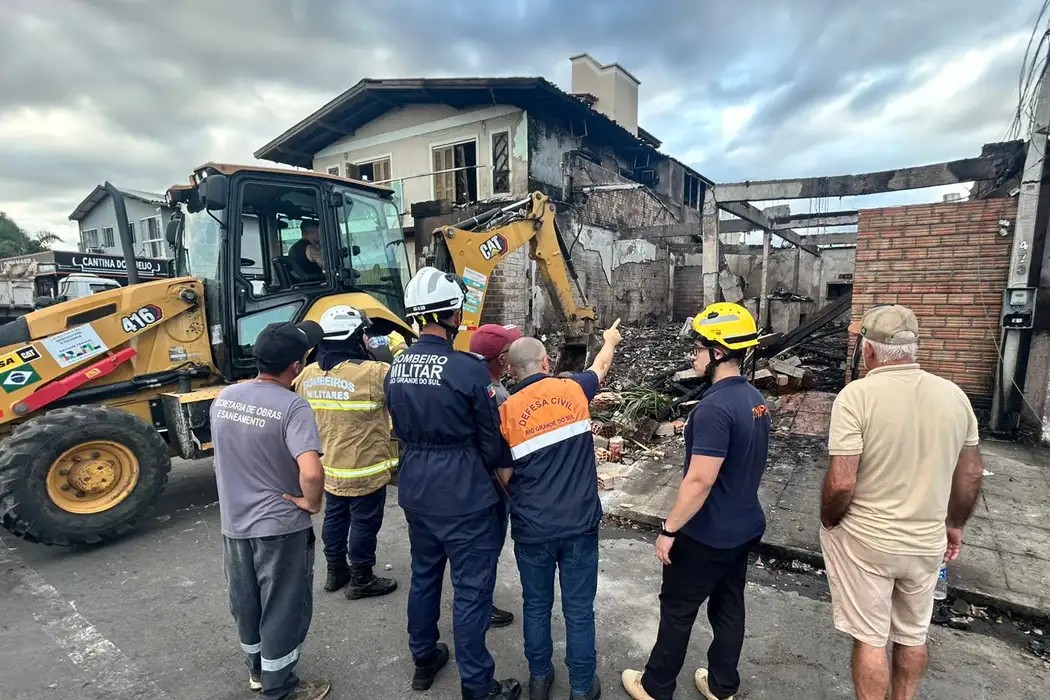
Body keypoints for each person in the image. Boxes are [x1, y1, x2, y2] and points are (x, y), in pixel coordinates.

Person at [819, 305, 984, 700]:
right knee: (913, 633)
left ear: (869, 352)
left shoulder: (856, 397)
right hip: (926, 542)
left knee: (872, 638)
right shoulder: (955, 397)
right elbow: (972, 474)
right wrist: (954, 525)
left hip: (868, 542)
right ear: (914, 348)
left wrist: (828, 520)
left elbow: (842, 482)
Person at [384, 267, 521, 700]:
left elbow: (399, 425)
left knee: (424, 575)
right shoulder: (467, 370)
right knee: (471, 590)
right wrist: (501, 480)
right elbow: (490, 440)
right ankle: (479, 687)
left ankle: (424, 659)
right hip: (464, 492)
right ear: (450, 314)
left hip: (417, 487)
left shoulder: (395, 367)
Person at [622, 302, 769, 700]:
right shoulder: (754, 398)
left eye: (699, 348)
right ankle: (722, 686)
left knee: (678, 608)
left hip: (708, 532)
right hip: (745, 525)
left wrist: (669, 530)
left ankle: (655, 686)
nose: (693, 354)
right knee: (728, 605)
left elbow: (700, 480)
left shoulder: (714, 408)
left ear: (718, 353)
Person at [497, 320, 621, 700]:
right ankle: (582, 688)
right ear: (547, 362)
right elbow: (599, 368)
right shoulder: (573, 389)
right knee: (579, 611)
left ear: (511, 371)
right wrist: (610, 340)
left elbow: (503, 475)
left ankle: (539, 680)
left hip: (533, 528)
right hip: (579, 524)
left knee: (535, 605)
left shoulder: (505, 412)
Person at [212, 320, 331, 700]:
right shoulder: (292, 406)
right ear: (296, 367)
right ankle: (280, 688)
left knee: (246, 601)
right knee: (283, 606)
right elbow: (311, 472)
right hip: (279, 525)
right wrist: (311, 503)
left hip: (235, 524)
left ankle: (257, 673)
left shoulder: (225, 397)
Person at [295, 305, 398, 600]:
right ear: (355, 336)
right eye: (363, 334)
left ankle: (335, 571)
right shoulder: (375, 372)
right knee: (365, 522)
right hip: (366, 467)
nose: (367, 340)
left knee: (335, 518)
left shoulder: (307, 374)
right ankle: (362, 578)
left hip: (328, 467)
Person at [468, 323, 525, 630]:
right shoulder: (500, 395)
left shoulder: (466, 384)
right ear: (503, 359)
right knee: (487, 549)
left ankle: (475, 598)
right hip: (493, 485)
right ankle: (482, 605)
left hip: (465, 482)